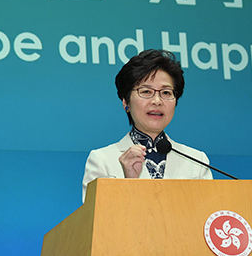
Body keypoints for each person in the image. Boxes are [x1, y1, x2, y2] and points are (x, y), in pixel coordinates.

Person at [81, 49, 213, 202]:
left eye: (166, 93)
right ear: (126, 102)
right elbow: (98, 221)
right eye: (146, 91)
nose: (157, 101)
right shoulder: (102, 160)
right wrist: (130, 183)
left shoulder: (197, 161)